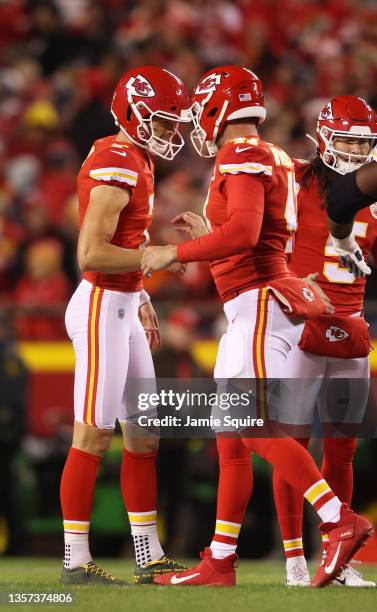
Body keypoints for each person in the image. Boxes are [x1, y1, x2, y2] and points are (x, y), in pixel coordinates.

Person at [141, 66, 373, 588]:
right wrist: (209, 239)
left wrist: (170, 252)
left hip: (264, 305)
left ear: (218, 107)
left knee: (255, 427)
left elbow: (246, 234)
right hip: (257, 300)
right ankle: (221, 558)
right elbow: (253, 235)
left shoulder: (245, 152)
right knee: (230, 434)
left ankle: (338, 521)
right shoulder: (276, 159)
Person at [60, 65, 191, 585]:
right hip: (98, 309)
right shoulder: (118, 161)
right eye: (161, 122)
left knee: (144, 437)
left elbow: (124, 250)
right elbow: (91, 253)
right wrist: (159, 255)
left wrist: (141, 295)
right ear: (133, 115)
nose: (170, 133)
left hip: (123, 306)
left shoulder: (134, 157)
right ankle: (75, 559)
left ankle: (147, 552)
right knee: (92, 436)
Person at [272, 95, 377, 587]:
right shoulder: (292, 178)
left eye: (364, 141)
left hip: (351, 326)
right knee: (292, 439)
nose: (356, 150)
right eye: (347, 139)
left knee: (341, 450)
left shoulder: (373, 193)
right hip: (298, 324)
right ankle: (294, 557)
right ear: (322, 139)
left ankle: (338, 562)